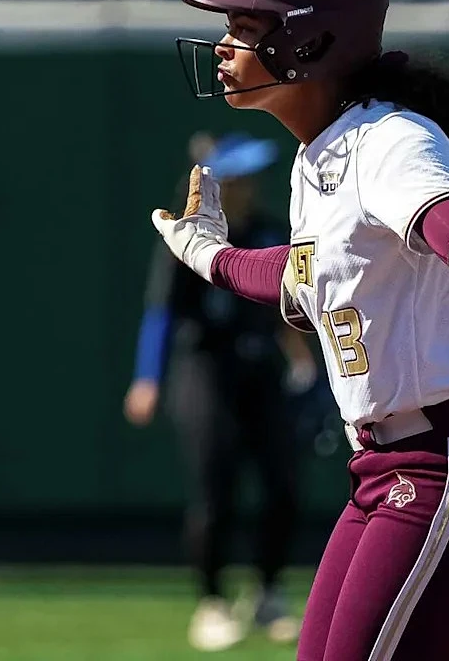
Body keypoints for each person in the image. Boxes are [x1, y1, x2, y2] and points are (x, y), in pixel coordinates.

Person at [152, 0, 449, 661]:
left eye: (246, 27)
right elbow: (300, 275)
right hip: (392, 467)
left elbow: (448, 218)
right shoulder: (319, 157)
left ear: (311, 43)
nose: (223, 45)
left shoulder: (390, 137)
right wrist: (214, 257)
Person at [125, 132, 319, 652]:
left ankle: (268, 593)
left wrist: (301, 359)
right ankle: (212, 601)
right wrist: (147, 378)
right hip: (205, 369)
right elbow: (162, 313)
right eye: (236, 176)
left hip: (261, 371)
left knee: (282, 484)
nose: (247, 185)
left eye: (251, 176)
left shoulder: (272, 230)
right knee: (216, 487)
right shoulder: (187, 239)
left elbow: (286, 305)